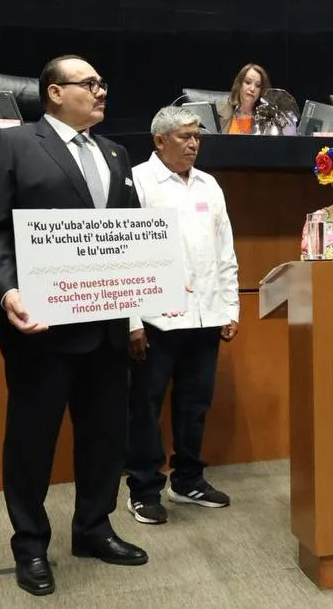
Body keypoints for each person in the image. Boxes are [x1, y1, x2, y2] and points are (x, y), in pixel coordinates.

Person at [0, 55, 147, 597]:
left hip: (108, 326)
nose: (101, 91)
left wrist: (148, 295)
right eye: (89, 83)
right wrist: (8, 293)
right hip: (42, 328)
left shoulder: (116, 153)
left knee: (104, 437)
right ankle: (30, 545)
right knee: (32, 441)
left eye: (102, 82)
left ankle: (93, 528)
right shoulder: (14, 144)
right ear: (54, 92)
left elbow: (132, 237)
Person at [125, 106, 240, 526]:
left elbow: (225, 250)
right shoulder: (136, 180)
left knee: (195, 403)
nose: (194, 144)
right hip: (155, 317)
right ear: (159, 140)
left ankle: (188, 478)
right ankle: (143, 487)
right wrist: (131, 320)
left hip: (206, 313)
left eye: (197, 137)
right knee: (146, 406)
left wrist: (230, 307)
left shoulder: (210, 184)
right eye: (185, 136)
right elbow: (126, 258)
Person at [217, 63, 270, 134]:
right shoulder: (219, 112)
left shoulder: (266, 120)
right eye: (248, 82)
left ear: (261, 91)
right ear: (239, 84)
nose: (252, 89)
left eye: (258, 85)